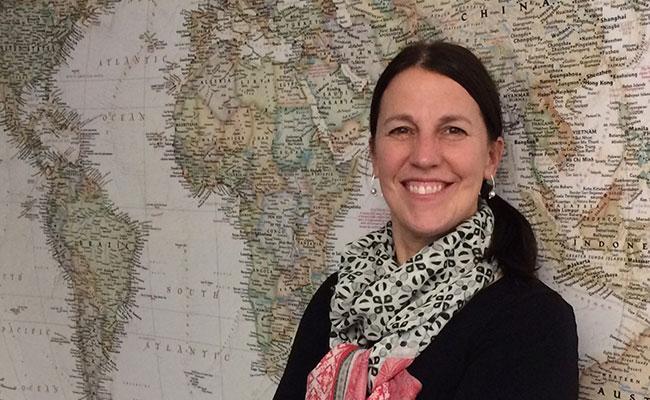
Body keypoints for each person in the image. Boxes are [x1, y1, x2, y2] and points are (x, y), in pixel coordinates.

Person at [274, 41, 578, 400]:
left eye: (452, 130)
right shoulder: (337, 297)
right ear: (374, 155)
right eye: (402, 130)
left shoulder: (532, 325)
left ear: (491, 158)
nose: (424, 156)